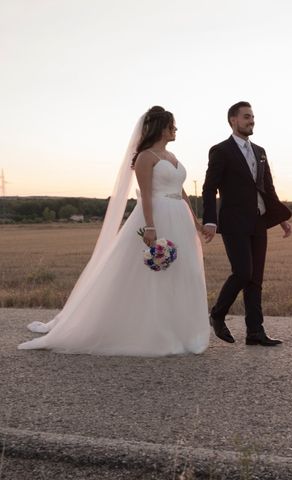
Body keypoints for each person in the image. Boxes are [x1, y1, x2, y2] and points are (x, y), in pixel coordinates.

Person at [19, 106, 210, 356]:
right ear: (161, 128)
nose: (175, 130)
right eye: (172, 126)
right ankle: (154, 331)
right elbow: (146, 196)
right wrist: (150, 226)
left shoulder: (171, 156)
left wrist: (196, 222)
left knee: (184, 272)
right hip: (157, 215)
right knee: (152, 275)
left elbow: (181, 191)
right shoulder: (146, 156)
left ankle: (183, 330)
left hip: (180, 218)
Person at [202, 101, 292, 346]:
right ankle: (217, 314)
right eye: (246, 116)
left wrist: (281, 218)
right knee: (242, 272)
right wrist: (209, 220)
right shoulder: (220, 150)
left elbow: (267, 188)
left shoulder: (260, 151)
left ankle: (255, 332)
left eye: (252, 116)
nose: (251, 120)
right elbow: (209, 189)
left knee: (255, 279)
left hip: (258, 221)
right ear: (233, 120)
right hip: (233, 222)